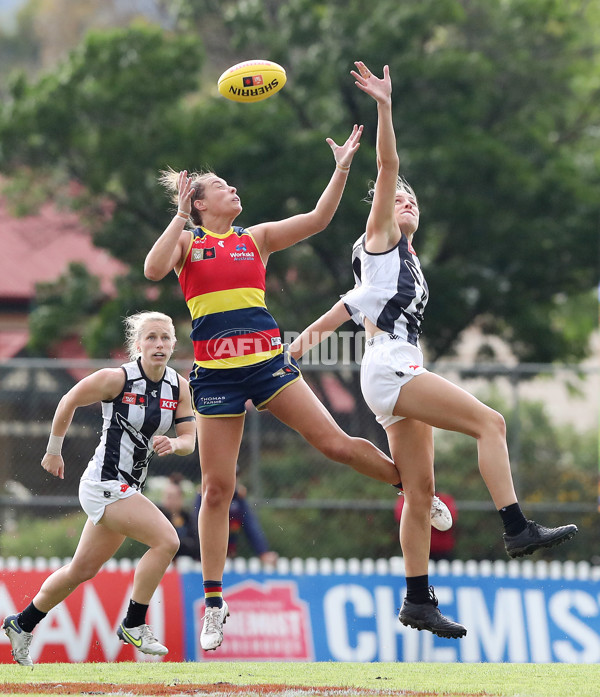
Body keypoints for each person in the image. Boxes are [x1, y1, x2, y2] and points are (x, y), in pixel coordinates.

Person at [289, 61, 578, 640]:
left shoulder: (392, 265)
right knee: (491, 423)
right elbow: (388, 165)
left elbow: (339, 312)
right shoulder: (381, 239)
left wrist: (292, 352)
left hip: (388, 372)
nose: (405, 202)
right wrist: (385, 107)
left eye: (411, 200)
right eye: (397, 199)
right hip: (392, 367)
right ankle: (516, 527)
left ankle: (417, 601)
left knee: (418, 492)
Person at [144, 124, 451, 652]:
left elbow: (319, 219)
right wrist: (176, 219)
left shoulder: (255, 238)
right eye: (220, 186)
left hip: (269, 364)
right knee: (218, 489)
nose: (232, 190)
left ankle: (410, 488)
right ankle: (214, 602)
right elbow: (152, 270)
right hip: (216, 374)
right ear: (198, 203)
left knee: (334, 444)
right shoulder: (189, 243)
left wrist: (341, 169)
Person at [3, 312, 197, 666]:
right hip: (104, 483)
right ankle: (135, 622)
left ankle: (22, 623)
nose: (159, 344)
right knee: (168, 541)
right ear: (137, 345)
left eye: (165, 338)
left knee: (81, 570)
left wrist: (175, 445)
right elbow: (69, 400)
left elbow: (189, 439)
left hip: (125, 488)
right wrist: (53, 450)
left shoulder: (179, 386)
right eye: (151, 338)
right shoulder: (117, 378)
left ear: (173, 344)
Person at [194, 478, 278, 565]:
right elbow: (197, 525)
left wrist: (262, 551)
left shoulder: (238, 498)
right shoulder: (205, 495)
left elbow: (250, 525)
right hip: (202, 554)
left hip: (227, 553)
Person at [396, 491, 457, 561]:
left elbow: (448, 520)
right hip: (416, 547)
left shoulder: (445, 499)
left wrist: (421, 518)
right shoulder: (406, 499)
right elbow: (401, 518)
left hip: (441, 548)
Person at [159, 473, 200, 560]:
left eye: (170, 497)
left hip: (188, 559)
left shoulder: (188, 517)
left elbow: (194, 542)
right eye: (166, 496)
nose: (167, 500)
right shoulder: (159, 516)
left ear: (180, 498)